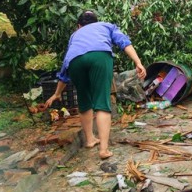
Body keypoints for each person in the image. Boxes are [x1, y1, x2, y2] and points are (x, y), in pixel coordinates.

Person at [45, 11, 146, 159]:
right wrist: (138, 62)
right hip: (99, 56)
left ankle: (90, 140)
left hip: (75, 62)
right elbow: (124, 42)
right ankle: (104, 150)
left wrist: (57, 93)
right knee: (102, 100)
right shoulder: (106, 26)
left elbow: (66, 64)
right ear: (96, 21)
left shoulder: (75, 35)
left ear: (79, 26)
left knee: (84, 99)